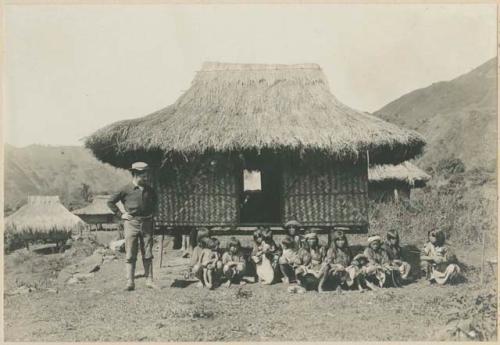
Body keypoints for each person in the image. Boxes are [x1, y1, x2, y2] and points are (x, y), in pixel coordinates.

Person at [108, 162, 158, 291]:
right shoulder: (125, 189)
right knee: (130, 253)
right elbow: (110, 202)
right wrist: (121, 214)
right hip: (131, 224)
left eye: (146, 174)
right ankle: (130, 282)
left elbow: (155, 203)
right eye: (143, 175)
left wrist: (152, 216)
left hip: (147, 224)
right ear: (135, 174)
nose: (145, 177)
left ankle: (149, 280)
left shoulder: (150, 190)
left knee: (148, 253)